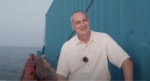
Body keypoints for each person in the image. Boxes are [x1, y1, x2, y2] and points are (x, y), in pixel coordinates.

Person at [56, 11, 133, 81]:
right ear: (73, 27)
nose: (82, 24)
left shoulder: (104, 38)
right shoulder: (67, 46)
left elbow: (126, 61)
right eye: (78, 22)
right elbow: (61, 76)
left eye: (85, 20)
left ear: (89, 21)